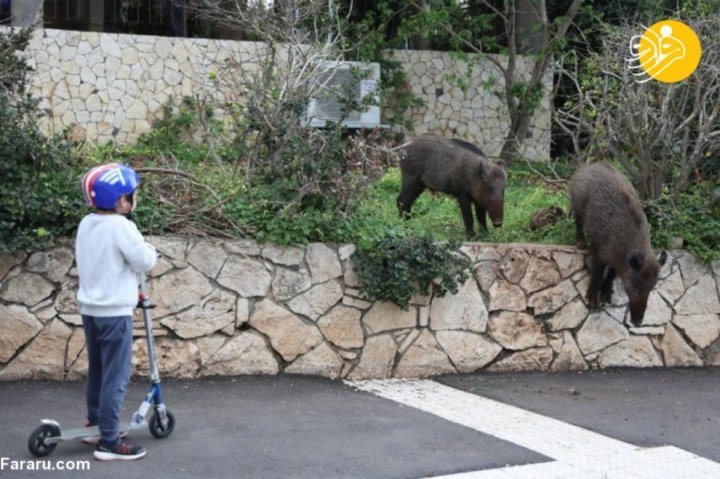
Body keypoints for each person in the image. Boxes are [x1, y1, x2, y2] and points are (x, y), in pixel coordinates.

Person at [75, 163, 157, 461]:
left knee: (98, 370)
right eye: (132, 194)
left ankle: (97, 423)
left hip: (91, 311)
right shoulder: (122, 227)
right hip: (115, 314)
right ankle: (109, 441)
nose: (134, 198)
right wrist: (147, 245)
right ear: (121, 201)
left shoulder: (86, 224)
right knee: (116, 376)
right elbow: (144, 261)